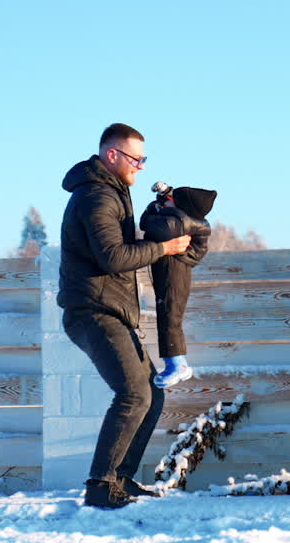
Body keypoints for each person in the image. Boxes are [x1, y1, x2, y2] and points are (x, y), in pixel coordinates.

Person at [57, 123, 193, 509]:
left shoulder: (112, 193)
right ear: (111, 155)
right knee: (133, 393)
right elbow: (113, 257)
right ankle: (100, 485)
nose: (142, 167)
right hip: (92, 311)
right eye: (137, 159)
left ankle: (121, 478)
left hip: (108, 310)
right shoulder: (97, 198)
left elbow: (119, 247)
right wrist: (163, 248)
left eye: (145, 159)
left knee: (151, 392)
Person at [139, 183, 217, 388]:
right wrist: (162, 205)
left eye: (173, 199)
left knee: (170, 315)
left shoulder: (180, 222)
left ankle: (177, 364)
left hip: (174, 272)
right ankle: (174, 363)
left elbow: (149, 225)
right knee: (168, 315)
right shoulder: (183, 219)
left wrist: (157, 208)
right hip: (172, 270)